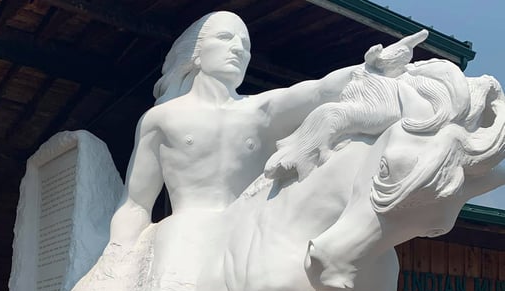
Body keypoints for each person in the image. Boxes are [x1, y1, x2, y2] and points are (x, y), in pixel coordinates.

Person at [108, 11, 422, 248]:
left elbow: (318, 90)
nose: (238, 50)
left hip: (247, 243)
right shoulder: (162, 118)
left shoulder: (258, 111)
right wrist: (118, 259)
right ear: (196, 53)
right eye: (225, 38)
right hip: (183, 241)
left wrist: (372, 67)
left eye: (244, 45)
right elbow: (135, 204)